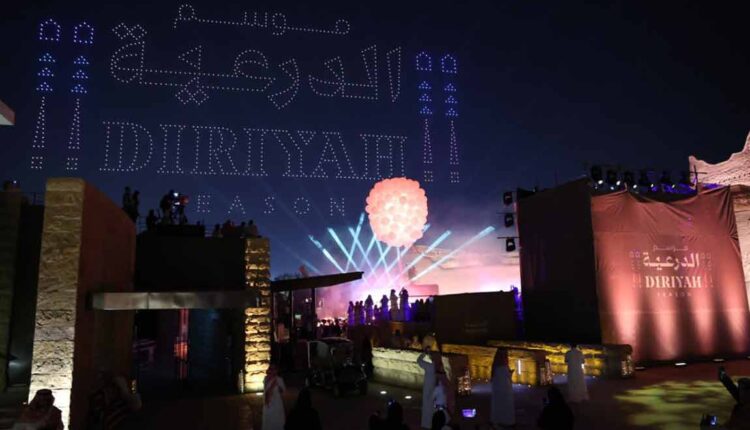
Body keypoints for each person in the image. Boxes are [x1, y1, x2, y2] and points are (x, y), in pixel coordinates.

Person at [490, 349, 515, 428]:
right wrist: (510, 373)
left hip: (502, 389)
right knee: (504, 404)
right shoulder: (502, 367)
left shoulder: (496, 367)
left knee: (501, 404)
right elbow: (505, 376)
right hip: (504, 389)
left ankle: (501, 420)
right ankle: (504, 420)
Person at [417, 349, 438, 429]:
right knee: (433, 406)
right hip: (434, 389)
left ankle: (427, 424)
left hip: (428, 388)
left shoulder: (429, 366)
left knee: (427, 406)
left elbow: (419, 361)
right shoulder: (437, 367)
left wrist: (424, 353)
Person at [262, 365, 286, 430]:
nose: (272, 371)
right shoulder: (266, 378)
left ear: (276, 371)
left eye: (274, 369)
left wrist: (278, 386)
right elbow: (265, 390)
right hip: (268, 401)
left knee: (277, 416)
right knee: (269, 417)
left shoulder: (279, 379)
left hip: (277, 401)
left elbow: (282, 390)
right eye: (271, 369)